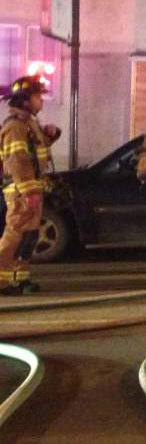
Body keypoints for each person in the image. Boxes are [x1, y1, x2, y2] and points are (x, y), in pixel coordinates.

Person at [0, 75, 61, 295]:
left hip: (31, 189)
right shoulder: (15, 127)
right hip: (21, 192)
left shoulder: (29, 124)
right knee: (14, 235)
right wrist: (28, 192)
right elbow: (17, 161)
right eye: (37, 96)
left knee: (29, 237)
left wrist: (51, 135)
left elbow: (35, 153)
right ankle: (2, 281)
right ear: (25, 100)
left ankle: (20, 279)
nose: (41, 101)